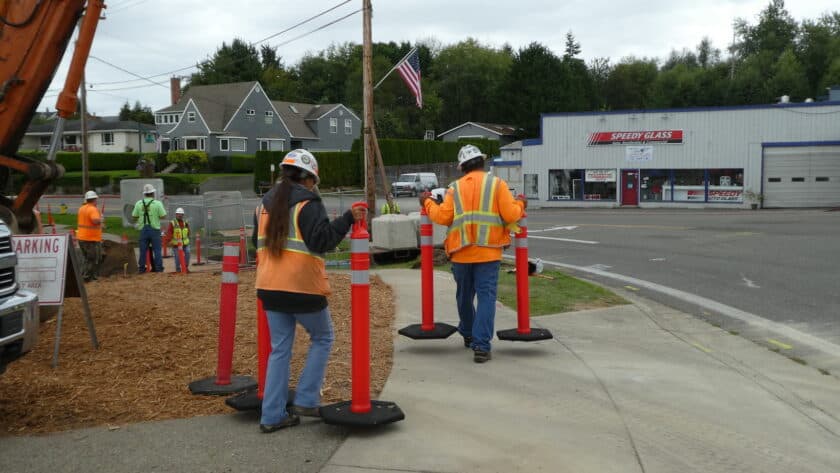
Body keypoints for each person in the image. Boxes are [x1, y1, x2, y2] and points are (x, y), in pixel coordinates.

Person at [253, 149, 365, 433]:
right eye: (314, 181)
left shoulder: (263, 204)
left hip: (269, 286)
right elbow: (322, 241)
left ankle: (271, 416)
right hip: (302, 287)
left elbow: (258, 242)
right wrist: (348, 219)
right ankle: (305, 398)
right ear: (308, 179)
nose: (315, 186)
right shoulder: (308, 202)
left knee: (279, 350)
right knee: (323, 337)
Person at [419, 144, 526, 363]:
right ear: (482, 162)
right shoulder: (497, 184)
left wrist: (427, 202)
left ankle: (468, 333)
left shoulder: (455, 188)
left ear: (462, 168)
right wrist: (521, 204)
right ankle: (481, 346)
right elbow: (511, 214)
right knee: (486, 297)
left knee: (464, 296)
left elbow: (443, 217)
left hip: (461, 252)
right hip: (488, 253)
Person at [131, 183, 167, 273]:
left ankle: (141, 269)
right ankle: (159, 268)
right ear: (153, 193)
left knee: (143, 250)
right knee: (157, 250)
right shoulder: (157, 203)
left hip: (143, 229)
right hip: (154, 229)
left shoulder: (139, 203)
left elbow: (134, 216)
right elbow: (163, 216)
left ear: (144, 194)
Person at [76, 190, 103, 282]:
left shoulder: (82, 208)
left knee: (87, 258)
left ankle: (89, 276)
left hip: (82, 237)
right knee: (92, 259)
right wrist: (101, 220)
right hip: (90, 239)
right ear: (95, 199)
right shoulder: (93, 209)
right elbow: (95, 221)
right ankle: (87, 278)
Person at [166, 207, 190, 273]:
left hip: (185, 243)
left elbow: (188, 231)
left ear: (183, 215)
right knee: (178, 257)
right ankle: (178, 269)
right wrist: (169, 240)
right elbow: (169, 232)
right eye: (178, 214)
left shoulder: (185, 223)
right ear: (176, 214)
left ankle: (185, 267)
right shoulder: (172, 223)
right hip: (176, 244)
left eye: (181, 214)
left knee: (187, 253)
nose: (180, 215)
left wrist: (187, 237)